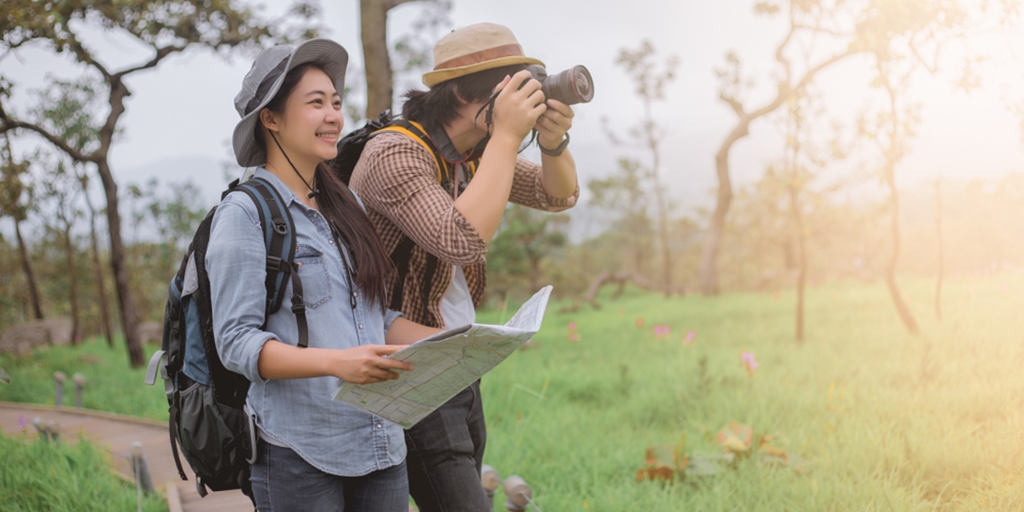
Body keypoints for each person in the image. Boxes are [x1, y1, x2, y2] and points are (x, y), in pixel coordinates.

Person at [348, 23, 580, 511]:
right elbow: (460, 241)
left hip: (457, 358)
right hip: (409, 366)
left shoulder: (471, 154)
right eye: (511, 87)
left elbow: (558, 195)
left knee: (465, 490)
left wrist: (553, 143)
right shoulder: (396, 152)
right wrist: (509, 135)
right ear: (460, 93)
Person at [207, 39, 439, 512]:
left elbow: (373, 317)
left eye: (335, 102)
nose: (334, 114)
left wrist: (458, 341)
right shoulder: (244, 215)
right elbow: (236, 342)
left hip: (382, 445)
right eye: (316, 103)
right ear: (269, 118)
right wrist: (337, 363)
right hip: (300, 451)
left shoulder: (345, 205)